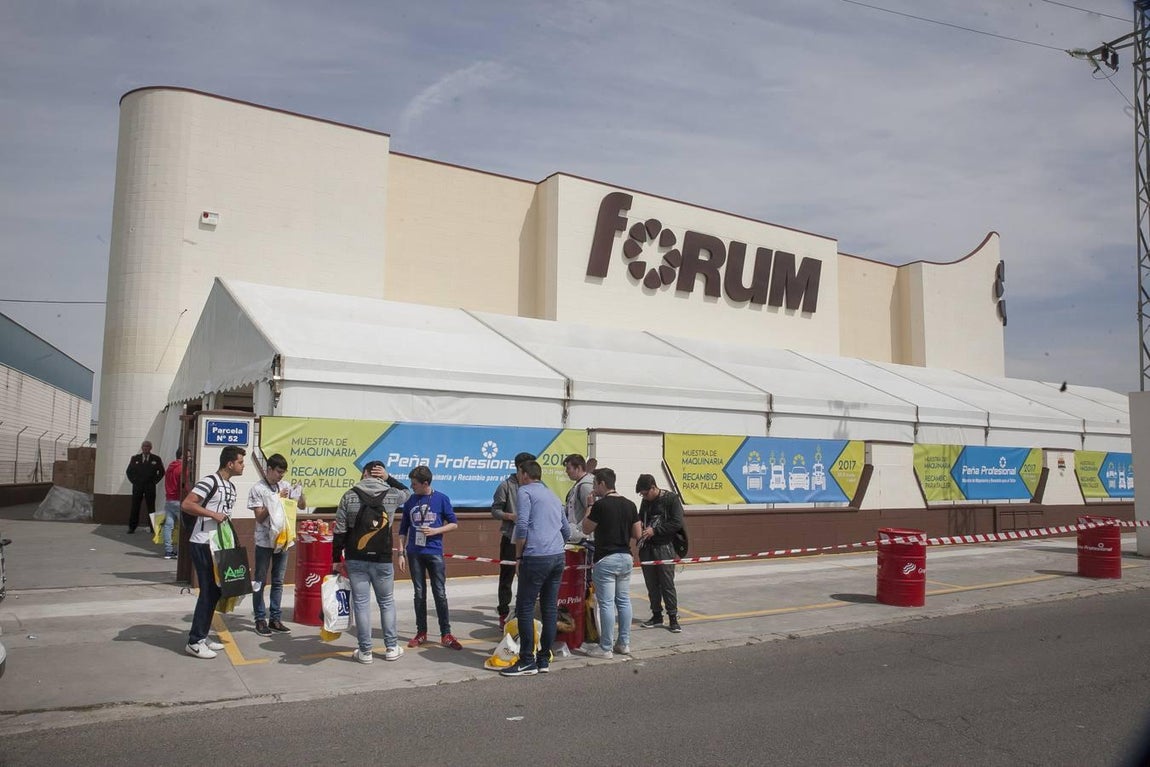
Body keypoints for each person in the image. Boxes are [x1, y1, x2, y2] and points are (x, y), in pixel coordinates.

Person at [332, 460, 410, 664]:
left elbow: (339, 531)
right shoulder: (392, 494)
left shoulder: (349, 495)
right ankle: (391, 647)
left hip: (355, 557)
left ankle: (365, 651)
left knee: (361, 603)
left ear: (364, 473)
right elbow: (408, 492)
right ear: (380, 474)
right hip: (382, 558)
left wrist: (335, 560)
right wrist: (389, 478)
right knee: (386, 602)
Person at [501, 459, 570, 677]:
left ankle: (526, 660)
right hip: (558, 555)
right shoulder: (551, 494)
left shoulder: (525, 492)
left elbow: (522, 525)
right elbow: (566, 528)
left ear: (524, 474)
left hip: (536, 556)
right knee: (549, 608)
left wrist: (519, 556)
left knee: (525, 607)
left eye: (519, 473)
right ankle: (543, 659)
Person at [180, 446, 246, 659]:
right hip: (202, 542)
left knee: (216, 590)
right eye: (241, 462)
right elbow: (187, 504)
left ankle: (202, 635)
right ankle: (194, 641)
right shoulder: (210, 481)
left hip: (219, 544)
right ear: (230, 464)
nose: (242, 466)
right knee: (208, 590)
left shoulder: (230, 486)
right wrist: (211, 514)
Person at [398, 466, 462, 650]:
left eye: (415, 484)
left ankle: (446, 634)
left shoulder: (441, 498)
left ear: (426, 483)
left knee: (439, 593)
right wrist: (401, 552)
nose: (412, 487)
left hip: (434, 552)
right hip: (414, 553)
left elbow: (453, 524)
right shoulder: (410, 501)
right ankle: (421, 632)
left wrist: (436, 530)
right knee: (419, 594)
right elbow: (403, 529)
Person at [581, 467, 641, 658]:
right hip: (626, 557)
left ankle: (605, 647)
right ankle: (623, 643)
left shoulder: (600, 505)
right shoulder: (630, 505)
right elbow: (637, 534)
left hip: (606, 558)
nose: (593, 488)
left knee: (606, 603)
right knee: (623, 601)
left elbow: (585, 528)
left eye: (595, 484)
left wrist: (589, 505)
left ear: (602, 484)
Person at [248, 453, 307, 636]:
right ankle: (259, 619)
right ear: (269, 469)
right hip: (264, 540)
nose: (281, 476)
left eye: (283, 473)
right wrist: (275, 499)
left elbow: (302, 506)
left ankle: (275, 618)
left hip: (282, 540)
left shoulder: (285, 485)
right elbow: (259, 517)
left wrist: (300, 493)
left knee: (278, 581)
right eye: (278, 472)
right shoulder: (258, 489)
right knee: (260, 580)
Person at [491, 451, 535, 628]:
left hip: (532, 538)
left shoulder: (538, 485)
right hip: (511, 537)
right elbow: (495, 510)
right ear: (519, 468)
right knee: (507, 576)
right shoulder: (506, 486)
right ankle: (503, 612)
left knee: (530, 576)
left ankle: (525, 612)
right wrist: (510, 516)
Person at [636, 473, 684, 633]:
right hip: (647, 547)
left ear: (653, 488)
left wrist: (655, 531)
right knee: (651, 584)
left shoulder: (671, 499)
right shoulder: (645, 501)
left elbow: (677, 523)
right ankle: (656, 615)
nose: (644, 496)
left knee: (667, 584)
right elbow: (640, 518)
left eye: (645, 493)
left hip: (664, 546)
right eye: (642, 494)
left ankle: (673, 618)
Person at [125, 440, 164, 534]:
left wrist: (154, 482)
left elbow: (162, 472)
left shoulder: (156, 459)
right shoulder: (135, 458)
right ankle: (132, 527)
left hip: (150, 487)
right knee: (135, 507)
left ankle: (152, 527)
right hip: (138, 487)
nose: (146, 448)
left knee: (151, 508)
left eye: (147, 446)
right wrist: (134, 481)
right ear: (142, 448)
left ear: (151, 448)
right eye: (144, 446)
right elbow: (128, 472)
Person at [563, 453, 595, 542]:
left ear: (579, 468)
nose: (566, 471)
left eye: (568, 468)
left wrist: (579, 528)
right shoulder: (579, 484)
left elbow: (593, 512)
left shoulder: (585, 486)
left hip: (584, 539)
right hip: (579, 537)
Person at [161, 448, 184, 559]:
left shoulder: (170, 467)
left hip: (169, 499)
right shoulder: (182, 468)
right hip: (178, 500)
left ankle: (168, 551)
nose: (189, 458)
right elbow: (184, 485)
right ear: (183, 456)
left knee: (168, 526)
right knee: (183, 527)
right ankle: (181, 551)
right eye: (188, 456)